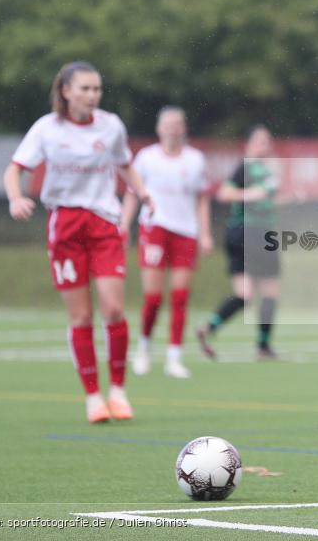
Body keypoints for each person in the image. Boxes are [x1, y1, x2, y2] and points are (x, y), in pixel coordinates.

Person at [3, 61, 153, 423]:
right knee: (81, 314)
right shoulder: (47, 129)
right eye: (84, 88)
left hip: (103, 223)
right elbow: (15, 169)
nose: (92, 95)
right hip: (66, 226)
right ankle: (92, 397)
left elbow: (124, 163)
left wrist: (143, 192)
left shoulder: (111, 125)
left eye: (97, 89)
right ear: (66, 91)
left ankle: (118, 389)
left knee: (113, 308)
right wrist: (15, 197)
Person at [120, 106, 213, 379]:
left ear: (183, 128)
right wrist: (124, 224)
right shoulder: (146, 158)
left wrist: (205, 233)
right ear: (159, 128)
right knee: (154, 297)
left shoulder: (195, 160)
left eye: (178, 124)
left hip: (186, 231)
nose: (173, 129)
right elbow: (132, 193)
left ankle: (174, 357)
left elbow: (202, 199)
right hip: (155, 228)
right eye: (168, 124)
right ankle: (144, 348)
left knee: (180, 297)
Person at [196, 125, 281, 360]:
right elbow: (224, 193)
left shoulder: (269, 171)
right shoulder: (246, 168)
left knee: (257, 294)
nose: (266, 145)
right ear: (250, 145)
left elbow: (265, 201)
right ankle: (261, 346)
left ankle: (211, 328)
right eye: (260, 141)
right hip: (247, 232)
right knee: (259, 292)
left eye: (268, 141)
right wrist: (251, 194)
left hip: (263, 232)